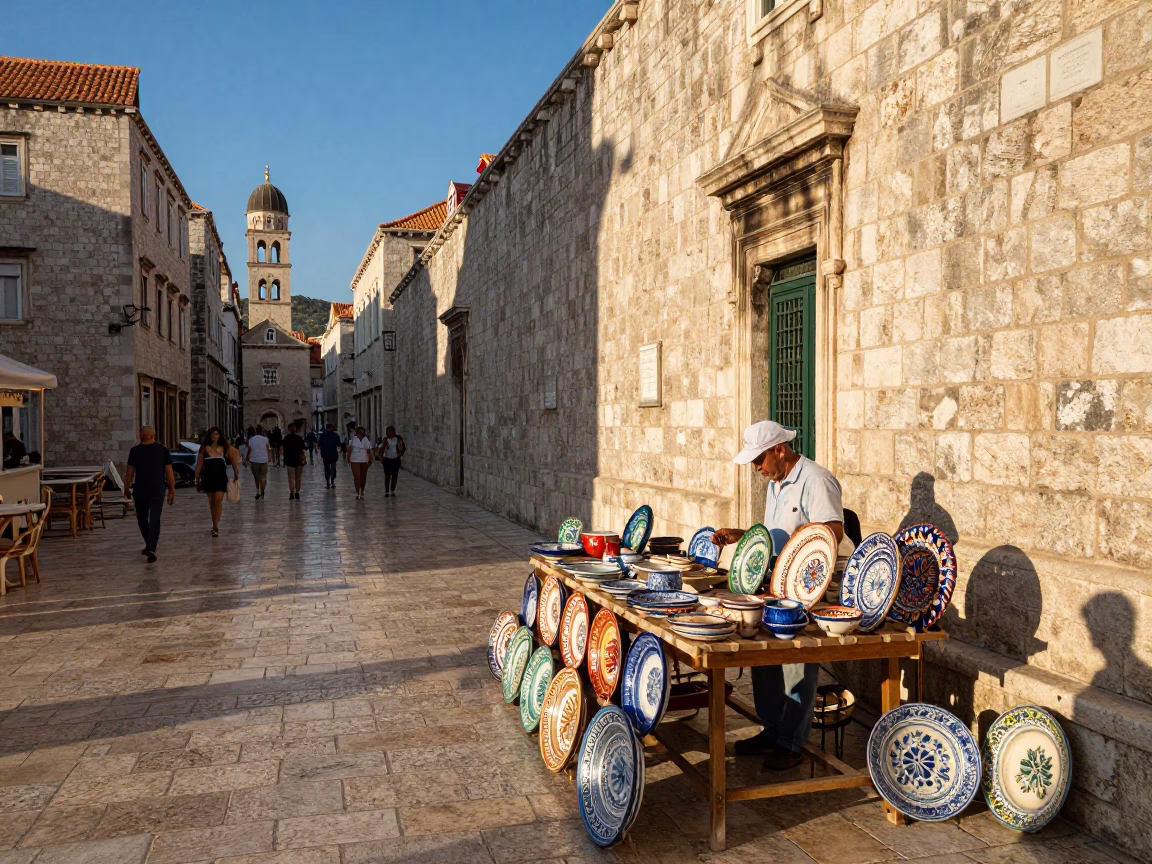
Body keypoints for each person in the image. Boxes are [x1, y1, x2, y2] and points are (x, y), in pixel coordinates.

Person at [713, 420, 849, 771]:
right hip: (777, 582)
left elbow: (833, 530)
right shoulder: (776, 484)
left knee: (798, 663)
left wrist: (812, 531)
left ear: (780, 450)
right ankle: (773, 730)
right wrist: (741, 535)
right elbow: (776, 538)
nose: (756, 468)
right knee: (763, 657)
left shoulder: (816, 479)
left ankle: (792, 742)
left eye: (759, 459)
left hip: (810, 588)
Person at [123, 426, 175, 564]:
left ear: (140, 435)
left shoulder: (135, 451)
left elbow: (129, 473)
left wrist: (126, 488)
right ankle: (151, 547)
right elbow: (169, 472)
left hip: (140, 488)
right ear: (154, 435)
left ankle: (150, 546)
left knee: (142, 518)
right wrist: (172, 490)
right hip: (157, 488)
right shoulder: (163, 450)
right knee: (154, 518)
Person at [194, 426, 241, 537]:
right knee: (211, 501)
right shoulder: (204, 448)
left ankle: (215, 526)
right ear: (210, 435)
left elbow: (234, 459)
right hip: (207, 476)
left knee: (218, 501)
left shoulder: (225, 447)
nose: (215, 436)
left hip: (220, 477)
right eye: (213, 434)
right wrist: (196, 478)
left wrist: (236, 474)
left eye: (217, 434)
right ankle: (214, 524)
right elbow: (199, 464)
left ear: (220, 436)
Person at [346, 425, 373, 499]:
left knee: (363, 476)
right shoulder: (353, 440)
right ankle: (357, 491)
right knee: (357, 476)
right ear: (357, 433)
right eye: (359, 432)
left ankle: (362, 491)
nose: (361, 433)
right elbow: (349, 450)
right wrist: (348, 458)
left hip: (364, 460)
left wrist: (370, 459)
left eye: (362, 432)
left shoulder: (366, 440)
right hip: (355, 460)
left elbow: (369, 450)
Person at [282, 422, 307, 500]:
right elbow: (302, 451)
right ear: (295, 429)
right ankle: (297, 493)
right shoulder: (299, 438)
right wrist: (304, 460)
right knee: (298, 477)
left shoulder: (286, 438)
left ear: (289, 429)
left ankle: (291, 492)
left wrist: (284, 459)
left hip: (289, 461)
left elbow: (282, 450)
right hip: (298, 461)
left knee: (291, 478)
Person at [246, 425, 271, 500]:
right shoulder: (265, 439)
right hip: (264, 459)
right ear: (262, 431)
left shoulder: (251, 439)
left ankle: (257, 492)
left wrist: (247, 457)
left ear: (256, 431)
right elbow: (268, 449)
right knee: (263, 476)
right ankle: (262, 491)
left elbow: (249, 449)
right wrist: (269, 457)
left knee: (256, 477)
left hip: (254, 460)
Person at [380, 425, 405, 497]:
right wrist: (384, 448)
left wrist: (400, 453)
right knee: (387, 475)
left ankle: (393, 490)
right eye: (389, 432)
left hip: (396, 459)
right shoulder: (385, 440)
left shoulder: (398, 438)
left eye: (391, 432)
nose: (390, 433)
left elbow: (403, 446)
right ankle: (386, 491)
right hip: (387, 459)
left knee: (394, 475)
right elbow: (381, 448)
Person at [318, 423, 342, 489]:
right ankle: (332, 481)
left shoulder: (322, 436)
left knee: (327, 469)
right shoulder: (335, 435)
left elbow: (319, 444)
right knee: (333, 469)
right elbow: (339, 444)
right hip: (333, 455)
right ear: (331, 427)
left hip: (325, 455)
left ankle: (328, 482)